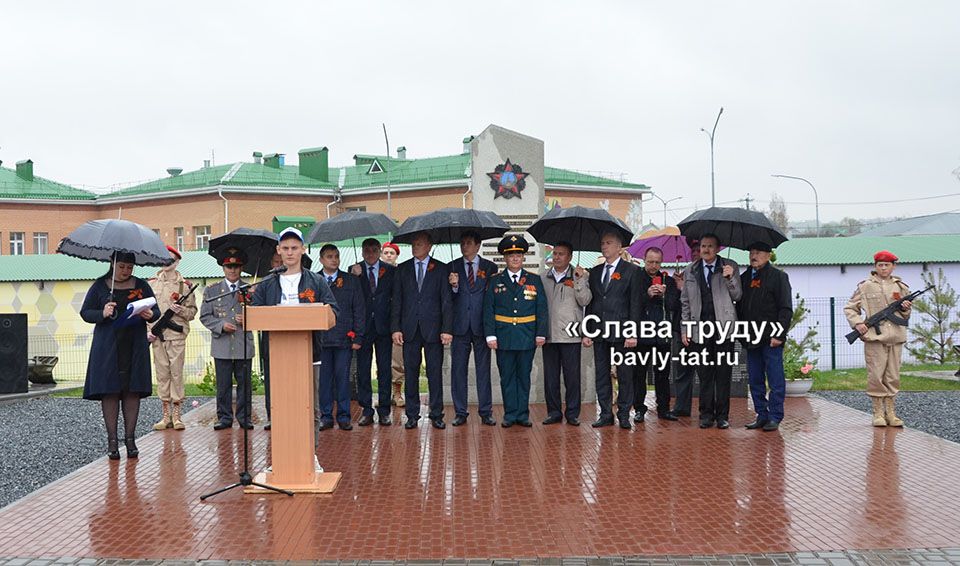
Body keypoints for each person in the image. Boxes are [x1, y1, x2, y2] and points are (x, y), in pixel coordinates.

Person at [251, 228, 339, 428]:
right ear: (278, 250)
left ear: (303, 250)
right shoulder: (267, 283)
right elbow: (255, 314)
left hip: (310, 353)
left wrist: (318, 313)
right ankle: (282, 456)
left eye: (294, 248)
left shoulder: (316, 281)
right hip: (276, 355)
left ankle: (311, 454)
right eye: (285, 248)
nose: (290, 252)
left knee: (310, 406)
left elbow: (333, 311)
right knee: (279, 406)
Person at [80, 252, 161, 459]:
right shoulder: (100, 286)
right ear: (113, 264)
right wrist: (102, 313)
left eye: (130, 268)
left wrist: (151, 315)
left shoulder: (141, 285)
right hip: (107, 346)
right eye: (122, 266)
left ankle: (131, 440)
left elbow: (156, 310)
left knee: (131, 390)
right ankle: (112, 442)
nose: (126, 271)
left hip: (134, 344)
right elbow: (86, 312)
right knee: (110, 391)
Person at [483, 235, 548, 427]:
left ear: (523, 257)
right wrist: (491, 335)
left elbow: (541, 309)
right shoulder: (495, 281)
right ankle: (510, 414)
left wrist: (541, 333)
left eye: (518, 255)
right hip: (503, 337)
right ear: (505, 258)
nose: (515, 258)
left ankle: (523, 414)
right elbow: (488, 309)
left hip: (527, 335)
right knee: (507, 377)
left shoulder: (534, 280)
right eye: (511, 255)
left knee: (524, 376)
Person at [843, 250, 913, 427]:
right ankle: (878, 412)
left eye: (887, 265)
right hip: (875, 337)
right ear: (875, 266)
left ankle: (891, 412)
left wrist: (905, 308)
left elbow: (905, 314)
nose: (883, 268)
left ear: (893, 266)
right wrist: (858, 324)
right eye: (880, 265)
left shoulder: (900, 287)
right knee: (876, 375)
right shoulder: (865, 286)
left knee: (893, 375)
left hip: (896, 335)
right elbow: (850, 308)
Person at [391, 232, 453, 429]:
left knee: (434, 373)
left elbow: (446, 301)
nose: (415, 247)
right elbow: (397, 301)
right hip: (409, 328)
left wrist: (447, 329)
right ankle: (412, 414)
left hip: (434, 329)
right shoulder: (403, 269)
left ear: (429, 246)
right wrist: (396, 328)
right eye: (413, 244)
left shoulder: (441, 268)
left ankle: (436, 414)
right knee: (411, 372)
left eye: (419, 244)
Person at [680, 234, 742, 429]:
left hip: (723, 329)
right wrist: (685, 328)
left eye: (709, 246)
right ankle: (706, 414)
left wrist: (730, 277)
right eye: (703, 246)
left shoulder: (729, 266)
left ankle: (722, 416)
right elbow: (685, 303)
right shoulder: (691, 270)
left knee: (723, 374)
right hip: (700, 330)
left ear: (717, 249)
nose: (705, 250)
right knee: (705, 374)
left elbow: (737, 295)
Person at [584, 231, 642, 429]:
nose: (604, 246)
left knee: (625, 374)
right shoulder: (595, 271)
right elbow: (591, 304)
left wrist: (633, 332)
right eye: (602, 243)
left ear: (619, 247)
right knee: (602, 374)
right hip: (600, 331)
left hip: (622, 331)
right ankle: (606, 413)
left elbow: (635, 304)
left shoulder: (632, 271)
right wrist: (588, 330)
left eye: (608, 243)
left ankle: (624, 413)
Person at [737, 241, 793, 432]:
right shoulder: (744, 278)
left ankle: (775, 416)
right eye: (751, 252)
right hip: (751, 337)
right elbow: (739, 306)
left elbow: (785, 309)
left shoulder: (779, 277)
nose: (754, 255)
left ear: (768, 255)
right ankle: (761, 414)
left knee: (775, 378)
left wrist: (779, 334)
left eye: (758, 252)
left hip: (771, 338)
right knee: (754, 378)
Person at [200, 248, 256, 430]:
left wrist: (249, 317)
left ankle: (244, 417)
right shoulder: (213, 290)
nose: (232, 270)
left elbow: (262, 315)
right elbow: (205, 316)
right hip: (222, 344)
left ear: (241, 268)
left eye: (236, 266)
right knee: (223, 385)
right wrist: (220, 326)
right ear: (223, 268)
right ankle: (224, 417)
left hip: (242, 344)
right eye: (228, 266)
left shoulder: (250, 289)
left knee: (244, 384)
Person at [449, 231, 499, 426]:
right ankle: (460, 412)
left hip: (481, 326)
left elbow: (493, 298)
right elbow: (447, 300)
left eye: (469, 243)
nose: (465, 246)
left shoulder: (489, 267)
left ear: (478, 246)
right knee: (458, 371)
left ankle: (485, 411)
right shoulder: (452, 267)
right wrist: (453, 286)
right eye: (462, 243)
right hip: (460, 326)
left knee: (483, 370)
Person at [147, 245, 198, 431]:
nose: (166, 263)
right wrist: (149, 330)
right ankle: (165, 415)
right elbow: (146, 310)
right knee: (162, 374)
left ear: (177, 262)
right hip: (158, 335)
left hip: (176, 335)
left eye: (171, 260)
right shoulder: (151, 284)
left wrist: (181, 310)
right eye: (164, 259)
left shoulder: (184, 286)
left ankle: (177, 415)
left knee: (176, 373)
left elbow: (192, 312)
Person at [541, 241, 591, 426]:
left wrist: (579, 281)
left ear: (569, 257)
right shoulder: (543, 277)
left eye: (561, 254)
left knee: (572, 377)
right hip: (550, 335)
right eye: (555, 253)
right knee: (551, 377)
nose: (556, 257)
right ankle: (553, 412)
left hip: (571, 334)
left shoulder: (580, 276)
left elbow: (585, 300)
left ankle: (572, 413)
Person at [316, 244, 365, 431]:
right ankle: (326, 416)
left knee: (343, 378)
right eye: (329, 256)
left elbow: (359, 309)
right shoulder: (315, 280)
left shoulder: (351, 280)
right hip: (321, 339)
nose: (334, 259)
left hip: (344, 338)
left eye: (336, 256)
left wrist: (358, 336)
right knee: (324, 380)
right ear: (321, 259)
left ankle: (344, 416)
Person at [350, 238, 396, 426]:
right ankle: (366, 410)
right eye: (366, 250)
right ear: (362, 252)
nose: (370, 253)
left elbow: (396, 299)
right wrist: (355, 276)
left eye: (374, 249)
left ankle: (384, 410)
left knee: (385, 369)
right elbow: (351, 298)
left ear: (379, 251)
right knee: (363, 370)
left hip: (384, 327)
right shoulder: (354, 270)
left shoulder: (391, 271)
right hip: (363, 328)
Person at [636, 247, 681, 422]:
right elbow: (634, 303)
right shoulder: (637, 278)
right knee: (639, 373)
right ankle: (639, 408)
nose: (653, 265)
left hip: (662, 334)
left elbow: (673, 305)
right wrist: (648, 294)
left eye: (657, 262)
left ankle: (663, 408)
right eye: (650, 262)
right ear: (644, 260)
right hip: (641, 332)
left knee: (663, 373)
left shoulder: (667, 281)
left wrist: (665, 294)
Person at [671, 239, 700, 417]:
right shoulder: (684, 273)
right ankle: (681, 407)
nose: (696, 252)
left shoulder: (708, 273)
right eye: (694, 250)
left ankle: (708, 409)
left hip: (702, 329)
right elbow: (674, 305)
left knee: (705, 371)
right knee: (682, 370)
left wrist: (684, 289)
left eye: (699, 249)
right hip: (680, 329)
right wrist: (676, 288)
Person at [381, 241, 406, 407]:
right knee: (382, 360)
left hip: (398, 321)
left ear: (397, 255)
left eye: (392, 253)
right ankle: (384, 395)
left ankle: (397, 392)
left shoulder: (401, 272)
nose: (389, 255)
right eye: (386, 252)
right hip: (380, 322)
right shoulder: (376, 272)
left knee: (397, 360)